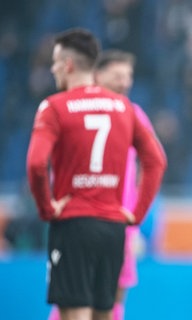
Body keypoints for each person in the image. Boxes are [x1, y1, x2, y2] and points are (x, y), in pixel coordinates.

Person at [26, 28, 166, 320]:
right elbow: (156, 161)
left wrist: (47, 208)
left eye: (54, 62)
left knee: (74, 312)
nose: (52, 69)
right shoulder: (125, 108)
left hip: (73, 224)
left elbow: (36, 164)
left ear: (68, 65)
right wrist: (136, 214)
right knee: (107, 311)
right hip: (113, 228)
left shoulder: (54, 107)